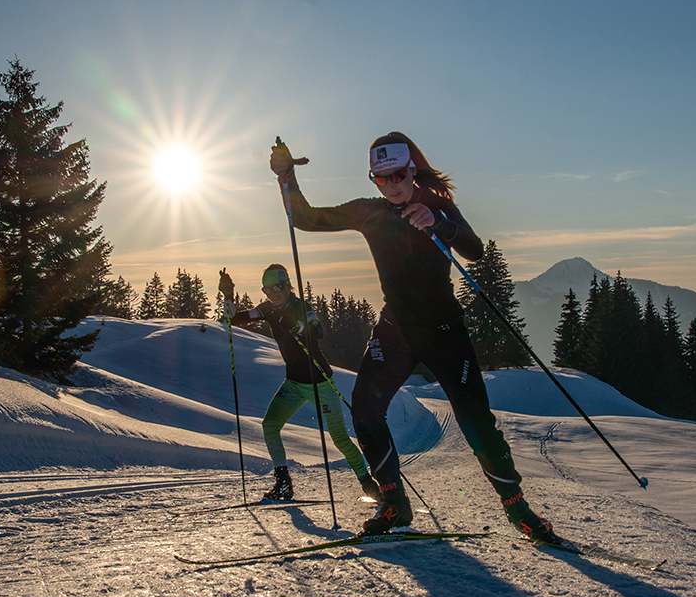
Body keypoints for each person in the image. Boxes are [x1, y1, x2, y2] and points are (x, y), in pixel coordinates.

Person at [269, 133, 557, 541]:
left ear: (413, 169)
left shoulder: (436, 204)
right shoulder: (369, 213)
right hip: (395, 330)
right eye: (380, 178)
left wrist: (439, 223)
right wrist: (285, 178)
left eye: (398, 175)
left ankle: (518, 509)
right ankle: (394, 504)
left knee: (476, 423)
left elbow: (474, 249)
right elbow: (305, 219)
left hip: (444, 331)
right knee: (366, 413)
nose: (390, 185)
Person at [219, 264, 375, 501]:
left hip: (320, 383)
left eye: (277, 287)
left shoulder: (301, 306)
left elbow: (317, 330)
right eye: (267, 289)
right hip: (293, 383)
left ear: (287, 285)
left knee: (340, 438)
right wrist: (229, 296)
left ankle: (368, 483)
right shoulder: (267, 309)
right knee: (270, 425)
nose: (272, 293)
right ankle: (283, 484)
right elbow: (235, 319)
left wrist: (299, 326)